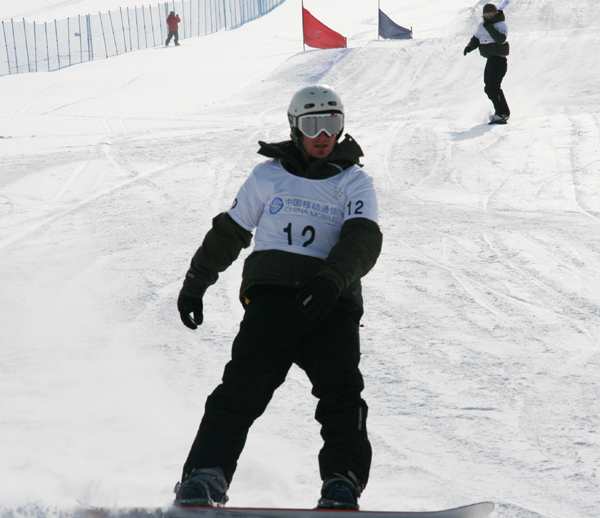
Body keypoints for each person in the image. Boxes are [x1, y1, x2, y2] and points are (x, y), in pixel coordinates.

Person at [173, 85, 383, 510]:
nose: (323, 134)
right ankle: (204, 476)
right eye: (313, 124)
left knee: (341, 393)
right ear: (295, 127)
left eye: (332, 123)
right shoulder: (268, 176)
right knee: (241, 389)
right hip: (271, 303)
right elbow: (230, 232)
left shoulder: (355, 181)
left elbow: (363, 240)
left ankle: (342, 482)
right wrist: (197, 280)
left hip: (331, 304)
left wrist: (328, 283)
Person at [464, 3, 510, 123]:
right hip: (491, 60)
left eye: (491, 14)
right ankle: (499, 112)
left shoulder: (501, 25)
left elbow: (501, 39)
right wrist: (470, 46)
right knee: (489, 88)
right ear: (483, 15)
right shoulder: (481, 26)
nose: (489, 17)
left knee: (494, 87)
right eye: (486, 14)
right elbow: (476, 38)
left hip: (499, 60)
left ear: (495, 14)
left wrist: (489, 26)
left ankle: (503, 113)